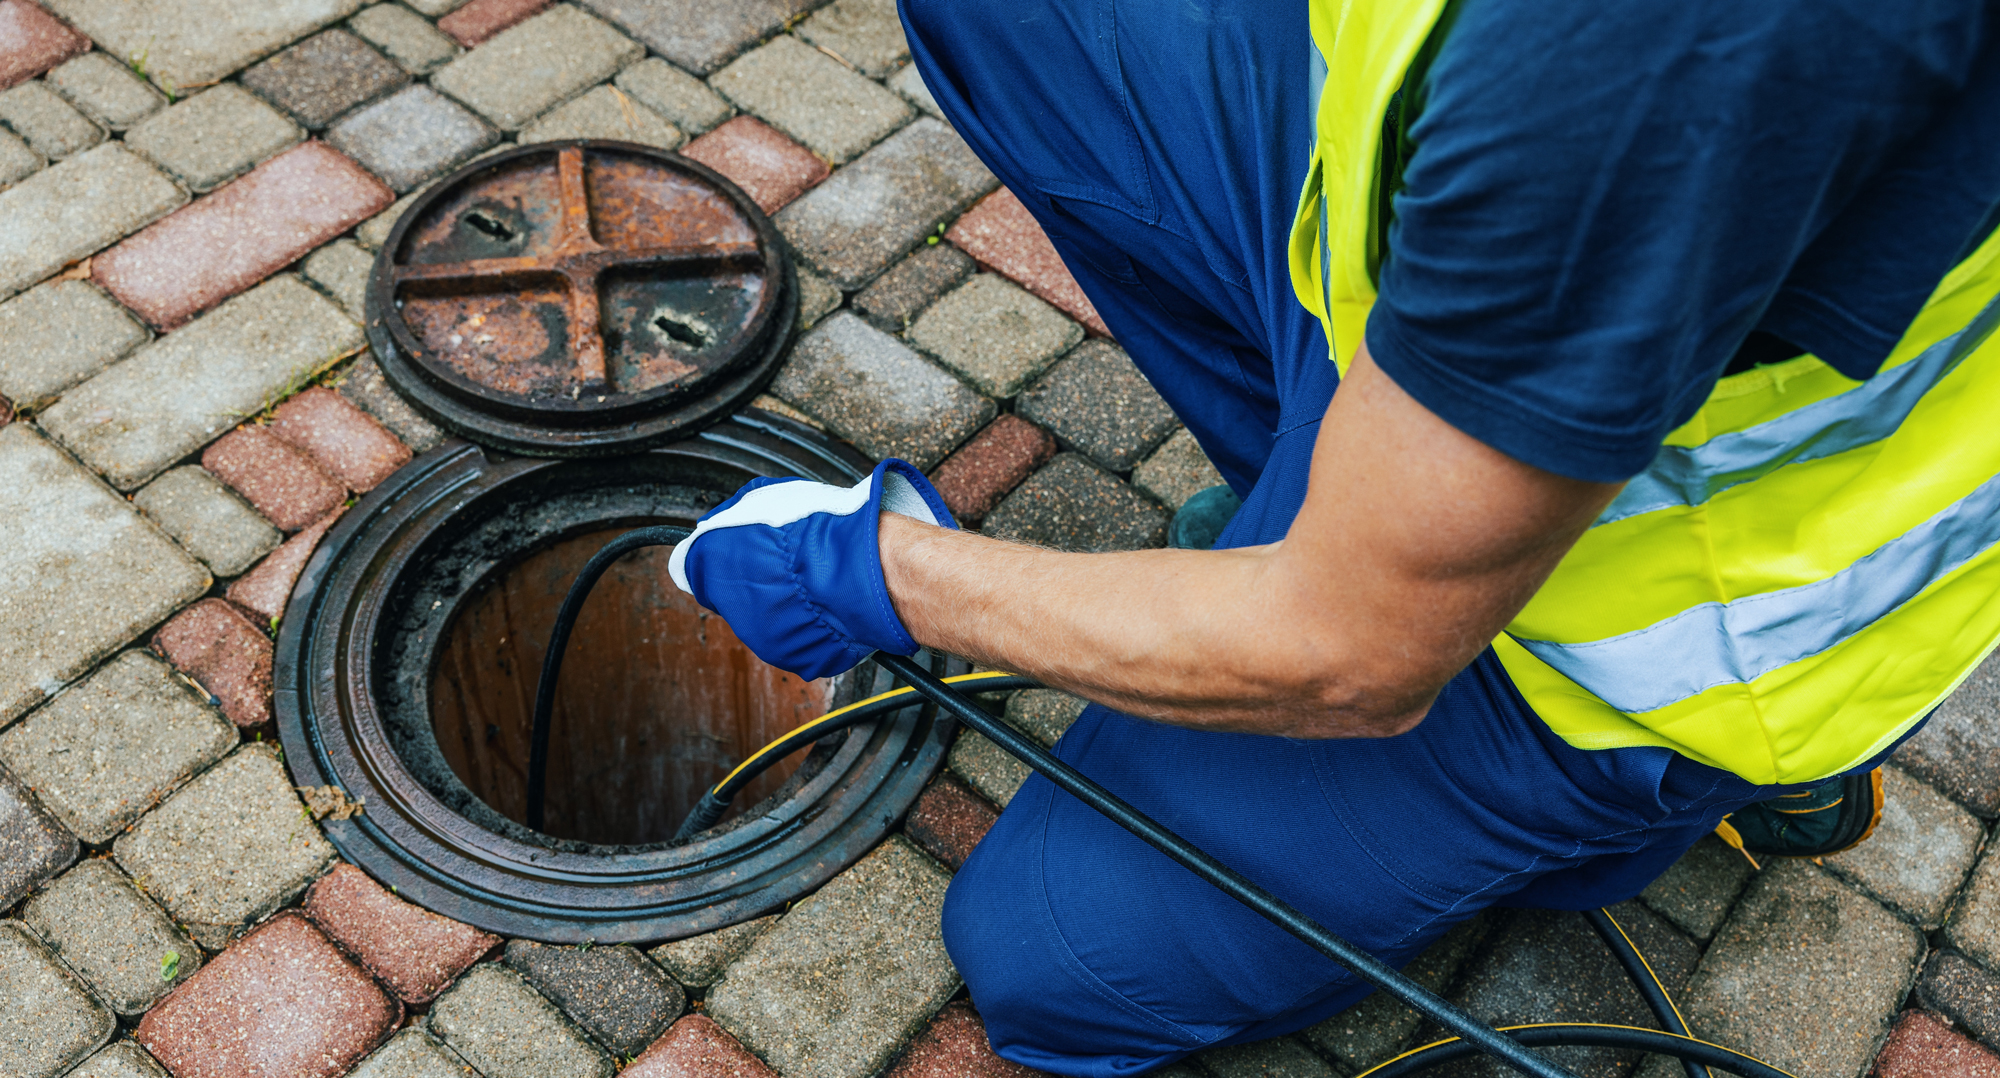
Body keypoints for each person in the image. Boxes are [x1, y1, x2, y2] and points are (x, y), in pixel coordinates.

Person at [669, 0, 2000, 1072]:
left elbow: (1347, 653)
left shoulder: (1657, 54)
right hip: (1460, 317)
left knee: (1050, 959)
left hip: (1627, 651)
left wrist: (882, 571)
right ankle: (1360, 514)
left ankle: (1640, 815)